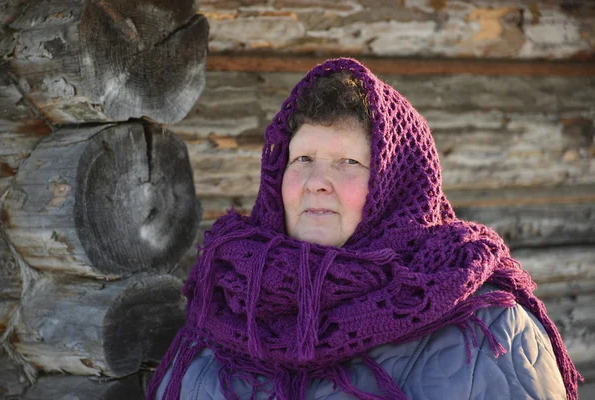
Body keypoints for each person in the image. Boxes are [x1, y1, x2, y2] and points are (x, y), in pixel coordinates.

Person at [146, 58, 582, 399]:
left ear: (395, 188)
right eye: (303, 160)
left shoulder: (488, 329)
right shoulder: (227, 299)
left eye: (348, 163)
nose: (317, 181)